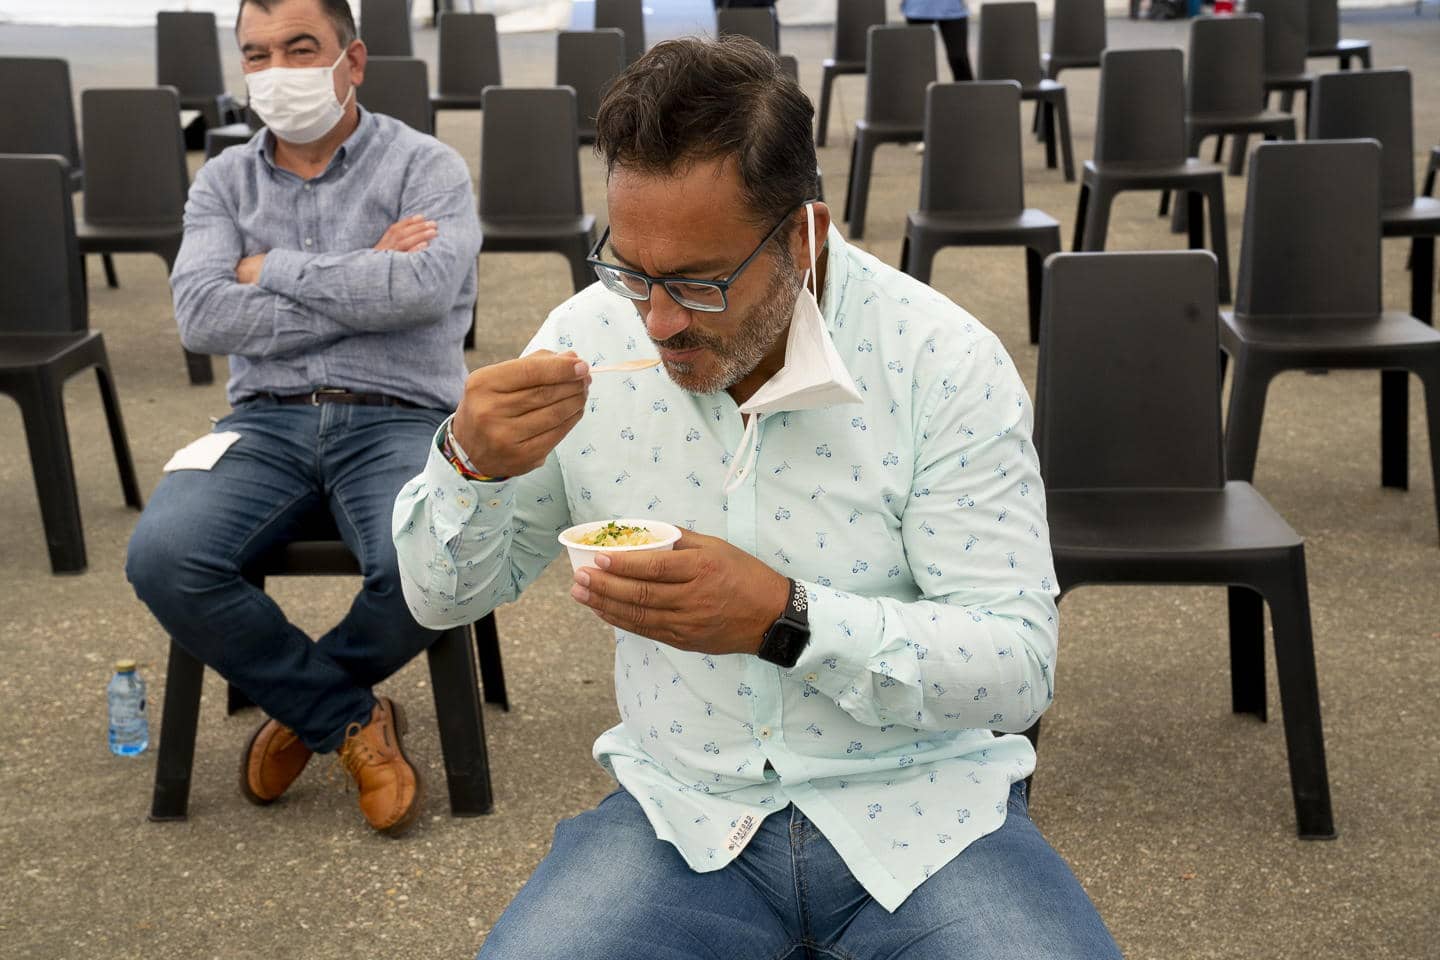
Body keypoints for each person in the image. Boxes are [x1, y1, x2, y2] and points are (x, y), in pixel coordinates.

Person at [394, 36, 1120, 959]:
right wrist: (469, 465)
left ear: (804, 238)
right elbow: (440, 600)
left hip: (923, 813)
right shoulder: (586, 339)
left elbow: (1014, 670)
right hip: (683, 810)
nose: (658, 322)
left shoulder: (938, 361)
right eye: (631, 271)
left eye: (699, 283)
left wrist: (788, 620)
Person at [125, 0, 481, 837]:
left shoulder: (426, 166)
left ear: (351, 60)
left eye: (299, 48)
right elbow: (202, 317)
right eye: (257, 54)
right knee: (163, 556)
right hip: (264, 424)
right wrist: (364, 278)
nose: (276, 71)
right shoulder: (223, 180)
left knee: (439, 555)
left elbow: (421, 293)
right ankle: (348, 718)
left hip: (399, 417)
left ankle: (301, 706)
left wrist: (268, 268)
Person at [903, 0, 973, 82]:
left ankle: (966, 90)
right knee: (920, 61)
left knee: (958, 58)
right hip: (917, 8)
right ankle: (920, 89)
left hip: (953, 7)